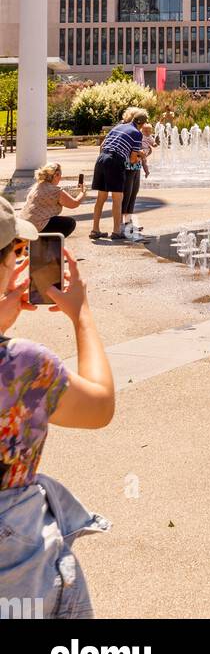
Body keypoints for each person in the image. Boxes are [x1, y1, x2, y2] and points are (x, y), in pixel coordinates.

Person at [0, 198, 114, 619]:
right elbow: (99, 406)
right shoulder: (22, 365)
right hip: (18, 572)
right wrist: (81, 314)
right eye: (15, 253)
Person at [90, 109, 148, 241]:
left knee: (101, 198)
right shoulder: (137, 133)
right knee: (118, 198)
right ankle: (117, 231)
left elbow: (103, 145)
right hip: (115, 161)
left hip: (101, 158)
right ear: (143, 124)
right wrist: (142, 155)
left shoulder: (119, 126)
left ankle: (95, 230)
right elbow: (133, 159)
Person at [20, 163, 87, 240]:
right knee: (70, 223)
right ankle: (49, 245)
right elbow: (74, 203)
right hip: (37, 226)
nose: (61, 178)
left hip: (24, 224)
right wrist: (83, 192)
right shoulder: (55, 191)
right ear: (56, 175)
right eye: (60, 175)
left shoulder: (38, 185)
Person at [120, 115, 154, 241]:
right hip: (128, 168)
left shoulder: (139, 135)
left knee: (133, 195)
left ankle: (128, 224)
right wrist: (141, 154)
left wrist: (145, 154)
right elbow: (132, 153)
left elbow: (141, 153)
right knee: (126, 196)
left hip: (136, 167)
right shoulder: (130, 132)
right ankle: (122, 225)